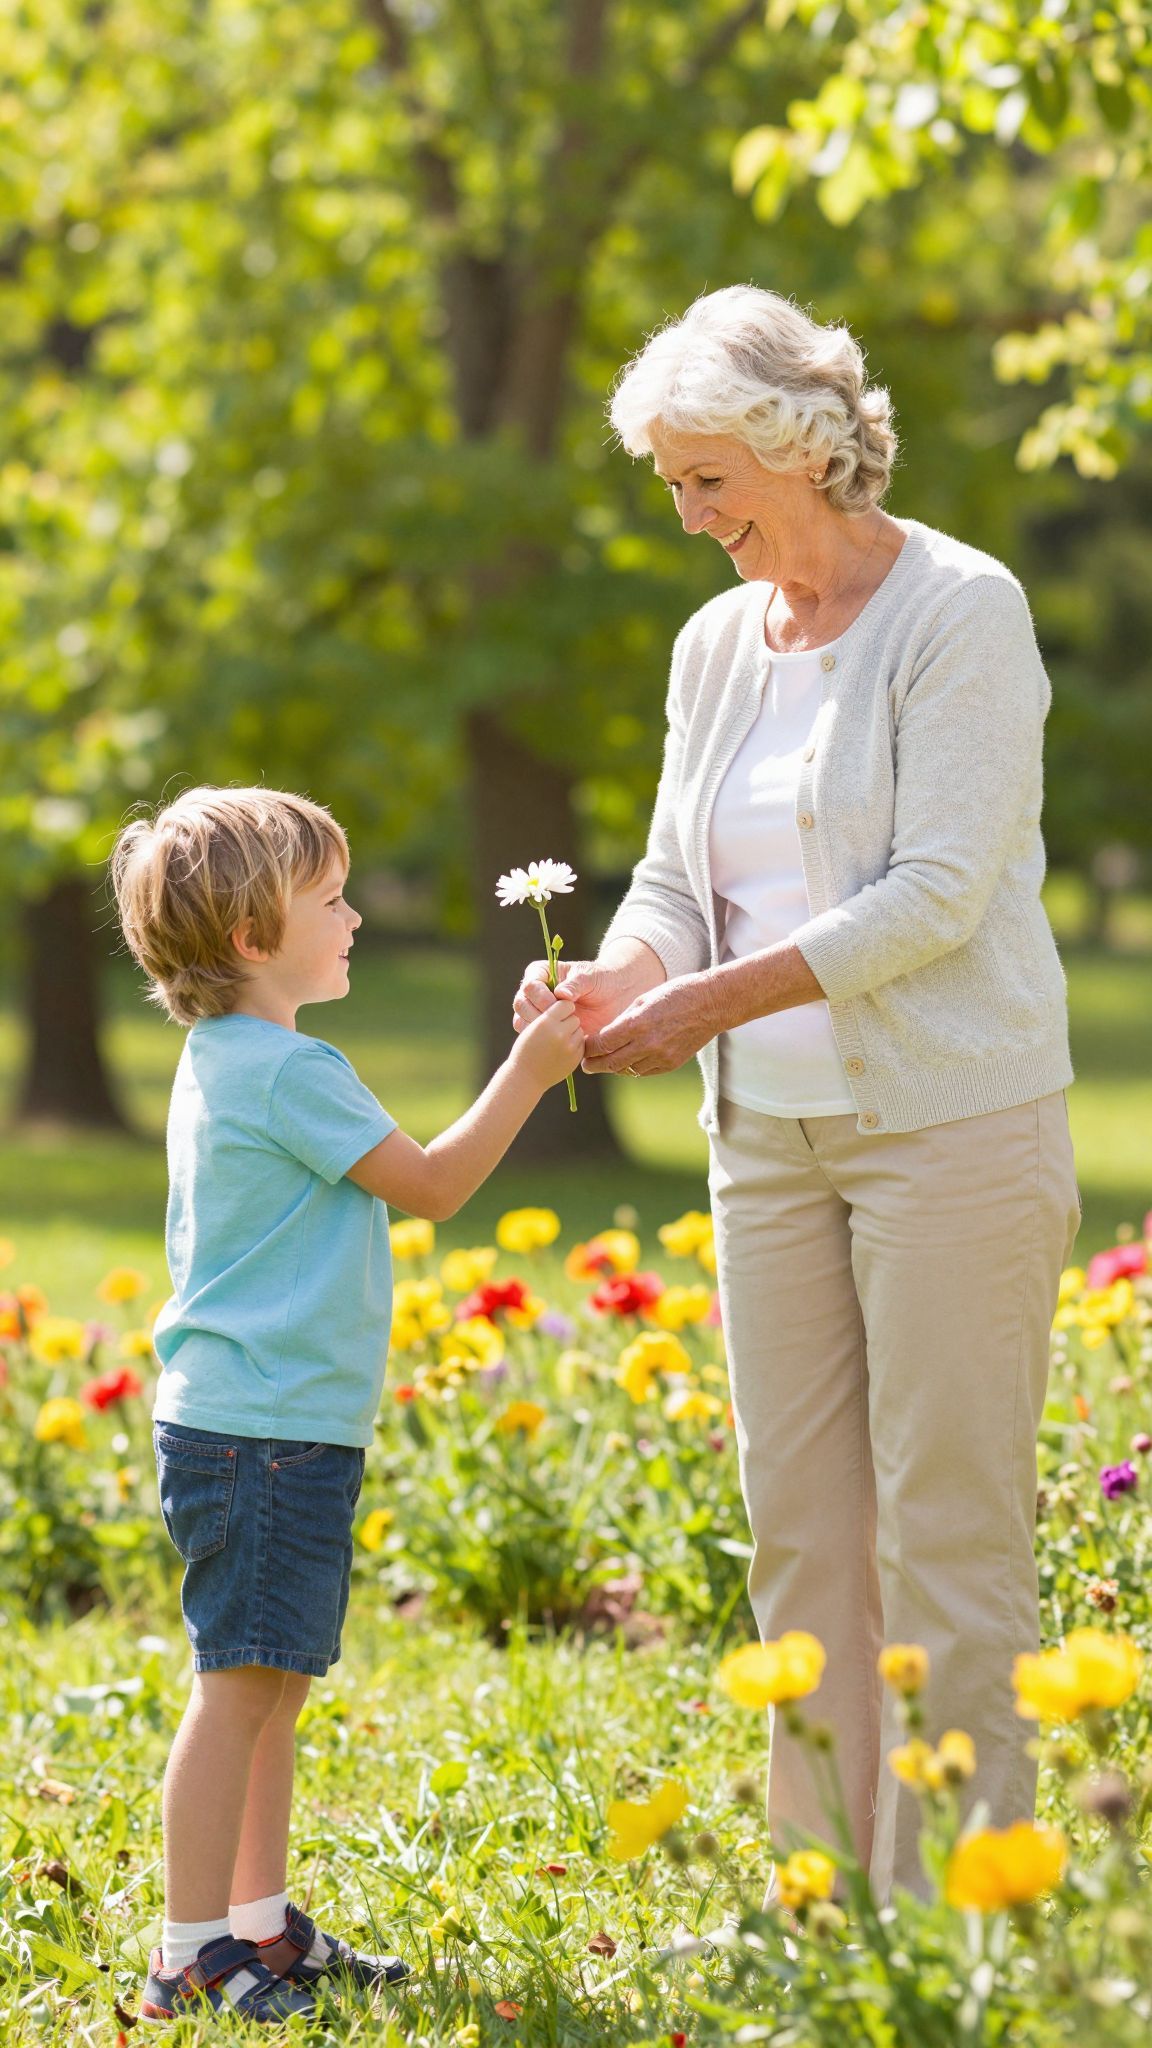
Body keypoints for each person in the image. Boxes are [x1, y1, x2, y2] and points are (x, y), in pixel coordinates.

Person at [514, 286, 1080, 1901]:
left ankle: (966, 1910)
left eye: (708, 480)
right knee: (801, 1535)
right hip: (765, 1141)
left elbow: (935, 895)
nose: (690, 517)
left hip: (948, 1127)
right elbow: (675, 879)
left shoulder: (959, 610)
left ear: (802, 446)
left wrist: (701, 1004)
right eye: (673, 484)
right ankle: (826, 1909)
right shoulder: (719, 644)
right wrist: (621, 974)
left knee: (948, 1530)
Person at [111, 785, 582, 2022]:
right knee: (240, 1687)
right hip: (261, 1431)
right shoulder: (287, 1068)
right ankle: (188, 1953)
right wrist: (531, 1069)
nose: (358, 916)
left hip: (265, 1423)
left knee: (272, 1682)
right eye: (330, 899)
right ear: (253, 937)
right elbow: (432, 1185)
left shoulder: (226, 1057)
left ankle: (257, 1927)